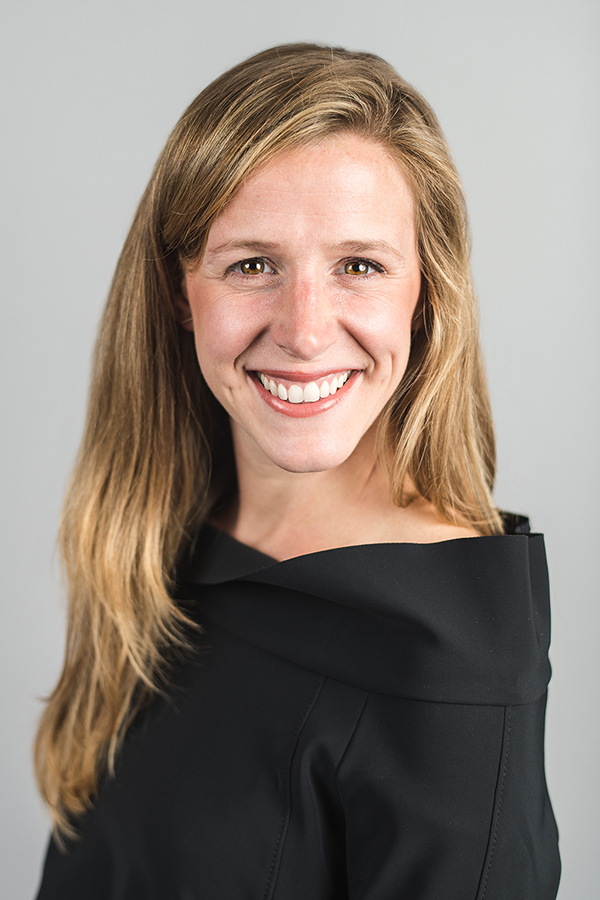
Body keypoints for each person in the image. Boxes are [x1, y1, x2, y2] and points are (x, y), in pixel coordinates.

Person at [34, 43, 560, 898]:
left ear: (425, 291)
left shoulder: (448, 661)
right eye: (252, 265)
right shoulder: (156, 546)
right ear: (180, 291)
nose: (306, 331)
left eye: (360, 265)